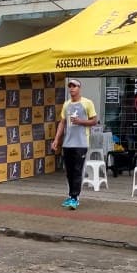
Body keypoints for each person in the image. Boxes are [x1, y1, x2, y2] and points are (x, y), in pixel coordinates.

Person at [50, 78, 98, 210]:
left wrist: (80, 121)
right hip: (68, 143)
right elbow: (62, 123)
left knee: (77, 171)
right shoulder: (66, 104)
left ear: (79, 88)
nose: (71, 88)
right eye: (70, 86)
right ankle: (71, 196)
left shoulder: (87, 103)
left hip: (81, 143)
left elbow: (94, 121)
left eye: (74, 86)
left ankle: (75, 198)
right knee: (69, 172)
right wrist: (56, 140)